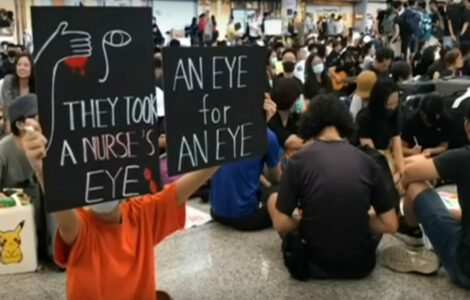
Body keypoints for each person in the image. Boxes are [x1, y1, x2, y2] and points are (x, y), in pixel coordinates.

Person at [21, 118, 224, 299]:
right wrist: (41, 168)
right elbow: (64, 217)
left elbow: (186, 186)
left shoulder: (143, 214)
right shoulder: (82, 227)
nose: (103, 183)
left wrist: (226, 145)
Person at [268, 94, 398, 280]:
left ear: (309, 123)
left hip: (310, 264)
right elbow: (391, 224)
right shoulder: (368, 161)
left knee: (274, 200)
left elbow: (280, 223)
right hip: (360, 267)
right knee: (366, 213)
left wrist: (310, 221)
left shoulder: (298, 160)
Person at [380, 105, 470, 287]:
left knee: (416, 184)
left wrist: (400, 190)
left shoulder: (463, 158)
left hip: (465, 267)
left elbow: (410, 173)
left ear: (467, 126)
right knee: (448, 213)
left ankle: (415, 231)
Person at [210, 96, 281, 231]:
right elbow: (277, 177)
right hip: (246, 218)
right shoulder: (267, 136)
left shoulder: (220, 128)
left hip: (215, 212)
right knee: (282, 193)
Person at [356, 80, 405, 185]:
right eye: (389, 104)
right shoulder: (364, 118)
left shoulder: (394, 114)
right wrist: (393, 178)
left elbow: (397, 147)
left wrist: (402, 171)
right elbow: (371, 154)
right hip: (371, 158)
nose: (393, 107)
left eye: (396, 103)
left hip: (387, 154)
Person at [268, 77, 305, 153]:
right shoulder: (271, 120)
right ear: (288, 99)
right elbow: (290, 141)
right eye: (297, 98)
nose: (299, 101)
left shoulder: (291, 117)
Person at [1, 53, 35, 132]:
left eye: (26, 65)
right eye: (19, 64)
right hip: (11, 126)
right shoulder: (8, 81)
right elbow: (9, 110)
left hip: (30, 127)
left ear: (32, 68)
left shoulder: (36, 85)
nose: (21, 68)